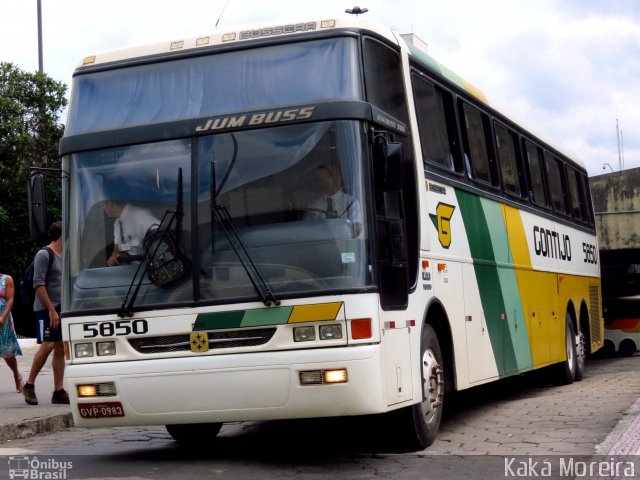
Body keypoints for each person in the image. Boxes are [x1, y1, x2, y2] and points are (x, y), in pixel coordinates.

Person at [23, 221, 68, 405]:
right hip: (45, 307)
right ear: (62, 235)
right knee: (48, 345)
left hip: (62, 307)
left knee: (60, 347)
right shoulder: (44, 254)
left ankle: (58, 391)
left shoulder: (66, 255)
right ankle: (29, 385)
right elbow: (38, 284)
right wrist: (51, 309)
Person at [104, 201, 160, 266]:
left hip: (148, 268)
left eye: (103, 205)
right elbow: (117, 251)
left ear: (110, 203)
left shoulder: (140, 216)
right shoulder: (118, 223)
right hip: (131, 269)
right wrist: (113, 259)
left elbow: (162, 234)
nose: (103, 208)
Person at [0, 262, 24, 393]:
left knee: (7, 352)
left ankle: (16, 375)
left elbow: (10, 300)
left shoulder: (7, 279)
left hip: (3, 318)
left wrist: (2, 318)